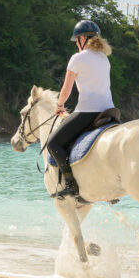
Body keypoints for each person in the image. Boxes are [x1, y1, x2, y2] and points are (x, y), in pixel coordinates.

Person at [47, 19, 115, 200]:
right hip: (109, 110)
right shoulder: (104, 58)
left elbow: (66, 90)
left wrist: (59, 106)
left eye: (77, 40)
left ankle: (70, 184)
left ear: (82, 39)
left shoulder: (77, 58)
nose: (76, 43)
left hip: (88, 111)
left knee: (53, 143)